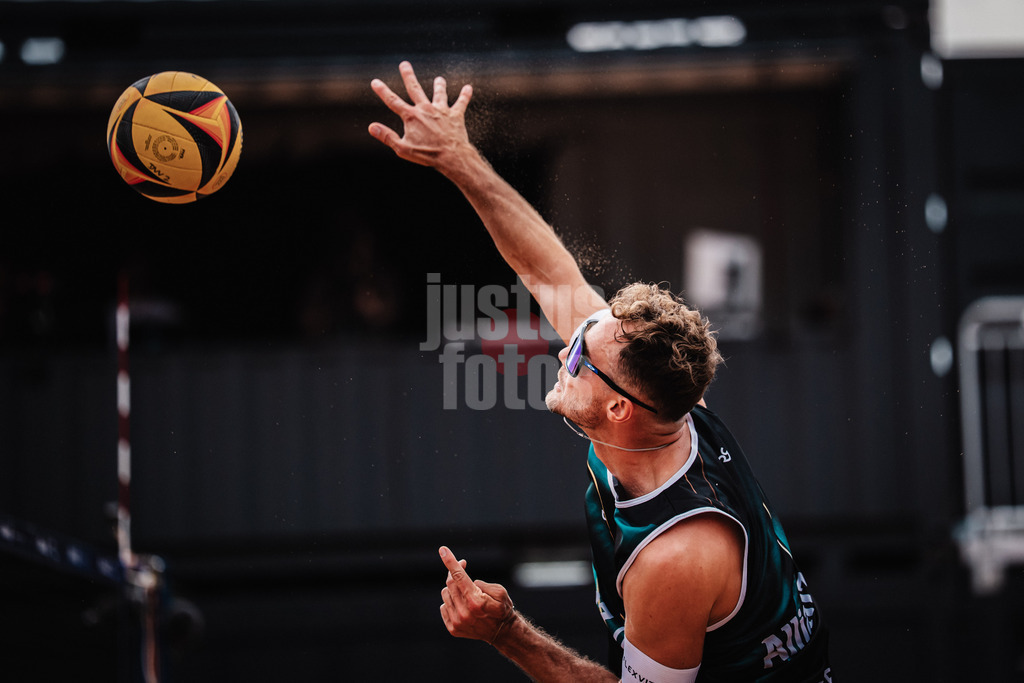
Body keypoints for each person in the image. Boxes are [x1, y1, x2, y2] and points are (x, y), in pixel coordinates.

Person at [368, 61, 832, 683]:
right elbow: (547, 272)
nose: (566, 348)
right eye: (583, 334)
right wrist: (459, 158)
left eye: (583, 355)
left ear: (618, 408)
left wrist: (506, 633)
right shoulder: (657, 408)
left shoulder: (676, 556)